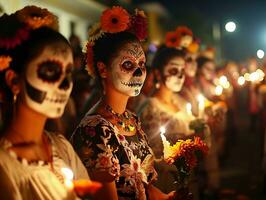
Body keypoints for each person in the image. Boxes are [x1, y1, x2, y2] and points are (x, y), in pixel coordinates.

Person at [71, 6, 175, 200]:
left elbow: (144, 187)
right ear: (103, 69)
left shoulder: (130, 119)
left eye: (142, 65)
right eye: (128, 64)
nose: (138, 72)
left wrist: (168, 198)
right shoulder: (94, 130)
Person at [0, 6, 90, 199]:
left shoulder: (61, 147)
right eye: (50, 71)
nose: (65, 85)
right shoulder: (4, 167)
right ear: (14, 81)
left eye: (69, 73)